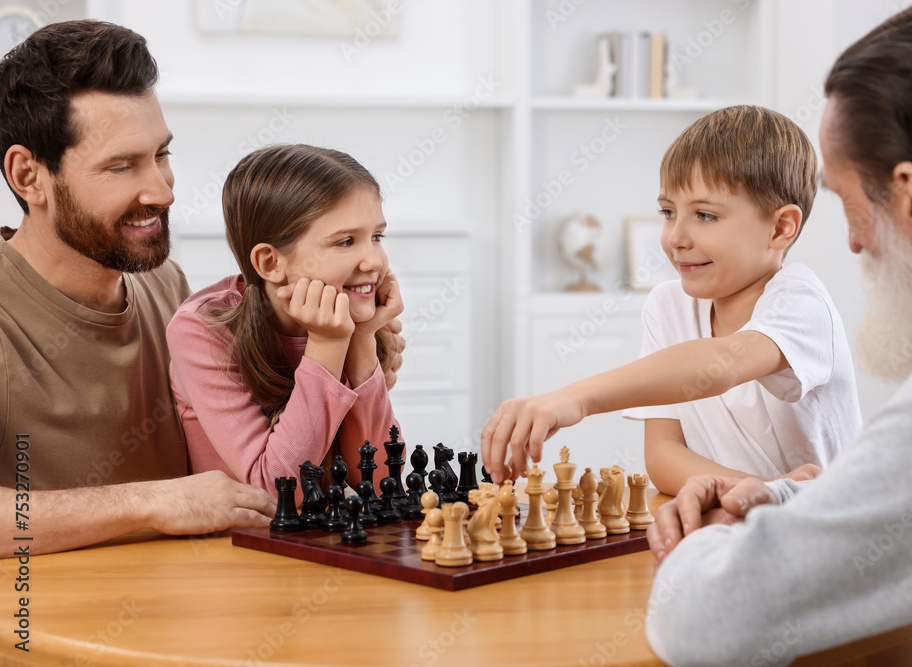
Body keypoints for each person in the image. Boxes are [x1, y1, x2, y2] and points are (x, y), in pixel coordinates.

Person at [644, 2, 912, 665]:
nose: (856, 242)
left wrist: (710, 536)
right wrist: (779, 495)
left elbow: (702, 624)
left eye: (845, 203)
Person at [0, 20, 402, 557]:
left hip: (191, 597)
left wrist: (346, 349)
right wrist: (156, 503)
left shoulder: (166, 286)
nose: (163, 192)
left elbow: (254, 448)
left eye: (161, 155)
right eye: (122, 166)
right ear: (29, 176)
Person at [481, 106, 860, 494]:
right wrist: (764, 492)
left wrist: (575, 399)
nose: (675, 237)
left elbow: (721, 364)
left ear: (781, 228)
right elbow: (663, 457)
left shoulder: (801, 301)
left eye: (705, 216)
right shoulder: (667, 305)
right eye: (668, 211)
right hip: (737, 524)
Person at [167, 144, 402, 495]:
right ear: (271, 263)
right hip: (234, 545)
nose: (373, 261)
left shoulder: (348, 321)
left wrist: (362, 339)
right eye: (346, 242)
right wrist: (327, 345)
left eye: (376, 237)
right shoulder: (201, 330)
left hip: (325, 540)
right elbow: (279, 487)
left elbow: (382, 482)